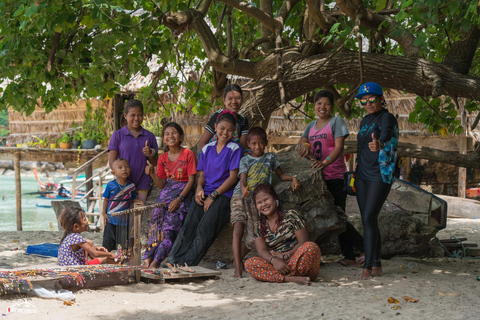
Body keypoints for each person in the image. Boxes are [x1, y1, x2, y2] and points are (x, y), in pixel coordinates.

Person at [297, 89, 364, 267]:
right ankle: (349, 256)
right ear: (314, 106)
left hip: (334, 176)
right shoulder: (310, 126)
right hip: (318, 180)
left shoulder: (337, 121)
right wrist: (305, 145)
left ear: (332, 106)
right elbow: (302, 140)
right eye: (319, 103)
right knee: (335, 219)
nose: (322, 107)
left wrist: (325, 162)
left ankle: (366, 249)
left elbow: (339, 147)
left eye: (326, 104)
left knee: (338, 218)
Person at [166, 111, 242, 266]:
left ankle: (187, 263)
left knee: (205, 229)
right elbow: (202, 175)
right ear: (215, 127)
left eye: (229, 130)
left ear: (234, 131)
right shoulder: (207, 149)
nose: (225, 132)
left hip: (222, 195)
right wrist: (199, 188)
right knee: (189, 226)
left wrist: (213, 196)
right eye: (221, 128)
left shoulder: (235, 149)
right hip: (204, 192)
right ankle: (173, 260)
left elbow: (233, 177)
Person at [231, 127, 301, 278]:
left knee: (252, 237)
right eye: (254, 144)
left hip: (258, 200)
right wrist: (243, 189)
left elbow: (281, 176)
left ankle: (237, 260)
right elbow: (243, 179)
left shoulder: (271, 158)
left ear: (266, 143)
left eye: (261, 143)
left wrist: (293, 178)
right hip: (240, 195)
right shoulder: (245, 160)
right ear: (248, 144)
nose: (257, 147)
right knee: (238, 227)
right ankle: (237, 268)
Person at [354, 82, 398, 280]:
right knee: (368, 219)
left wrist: (379, 143)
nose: (368, 103)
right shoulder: (364, 121)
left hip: (381, 174)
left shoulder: (387, 117)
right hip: (362, 175)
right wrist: (354, 174)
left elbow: (387, 134)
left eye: (372, 99)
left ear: (381, 99)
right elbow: (360, 149)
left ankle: (368, 266)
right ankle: (377, 264)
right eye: (364, 101)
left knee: (369, 217)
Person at [142, 122, 197, 268]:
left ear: (180, 137)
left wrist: (179, 199)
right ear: (164, 139)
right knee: (155, 227)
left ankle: (156, 261)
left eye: (174, 133)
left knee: (169, 230)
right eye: (167, 134)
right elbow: (161, 184)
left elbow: (191, 180)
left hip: (182, 197)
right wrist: (152, 172)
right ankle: (147, 258)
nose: (170, 136)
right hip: (164, 197)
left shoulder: (188, 154)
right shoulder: (162, 158)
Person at [244, 184, 321, 285]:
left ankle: (283, 277)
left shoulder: (291, 215)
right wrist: (274, 261)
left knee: (311, 247)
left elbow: (303, 241)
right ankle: (291, 279)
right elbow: (261, 251)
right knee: (250, 263)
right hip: (278, 265)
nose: (263, 204)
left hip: (297, 260)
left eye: (266, 199)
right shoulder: (258, 227)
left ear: (275, 198)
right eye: (259, 202)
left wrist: (285, 256)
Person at [108, 99, 158, 203]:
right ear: (125, 115)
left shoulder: (149, 136)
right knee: (124, 213)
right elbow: (112, 163)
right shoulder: (117, 135)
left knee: (137, 213)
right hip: (123, 183)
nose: (136, 118)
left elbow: (155, 162)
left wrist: (151, 154)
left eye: (139, 115)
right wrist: (122, 174)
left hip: (143, 182)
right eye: (133, 115)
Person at [101, 158, 144, 251]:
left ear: (130, 170)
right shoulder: (110, 185)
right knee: (108, 244)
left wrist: (140, 202)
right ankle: (107, 259)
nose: (124, 169)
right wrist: (104, 213)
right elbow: (105, 200)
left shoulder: (131, 186)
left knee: (124, 245)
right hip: (111, 220)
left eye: (126, 167)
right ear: (113, 173)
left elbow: (132, 200)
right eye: (120, 167)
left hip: (124, 221)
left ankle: (122, 261)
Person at [197, 84, 249, 151]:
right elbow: (201, 144)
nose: (234, 102)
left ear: (242, 100)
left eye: (237, 98)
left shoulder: (243, 120)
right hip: (213, 154)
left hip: (233, 154)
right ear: (224, 101)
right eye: (230, 98)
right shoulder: (217, 116)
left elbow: (242, 146)